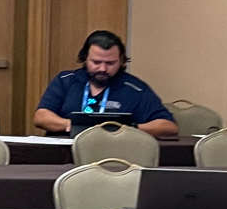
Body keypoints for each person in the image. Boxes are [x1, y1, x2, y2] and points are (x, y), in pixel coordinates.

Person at [34, 31, 177, 138]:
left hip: (114, 152)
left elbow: (168, 126)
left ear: (121, 61)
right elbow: (41, 117)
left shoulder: (135, 88)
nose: (102, 69)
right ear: (85, 58)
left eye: (110, 63)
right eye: (96, 62)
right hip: (65, 152)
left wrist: (128, 129)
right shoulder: (65, 80)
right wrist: (75, 126)